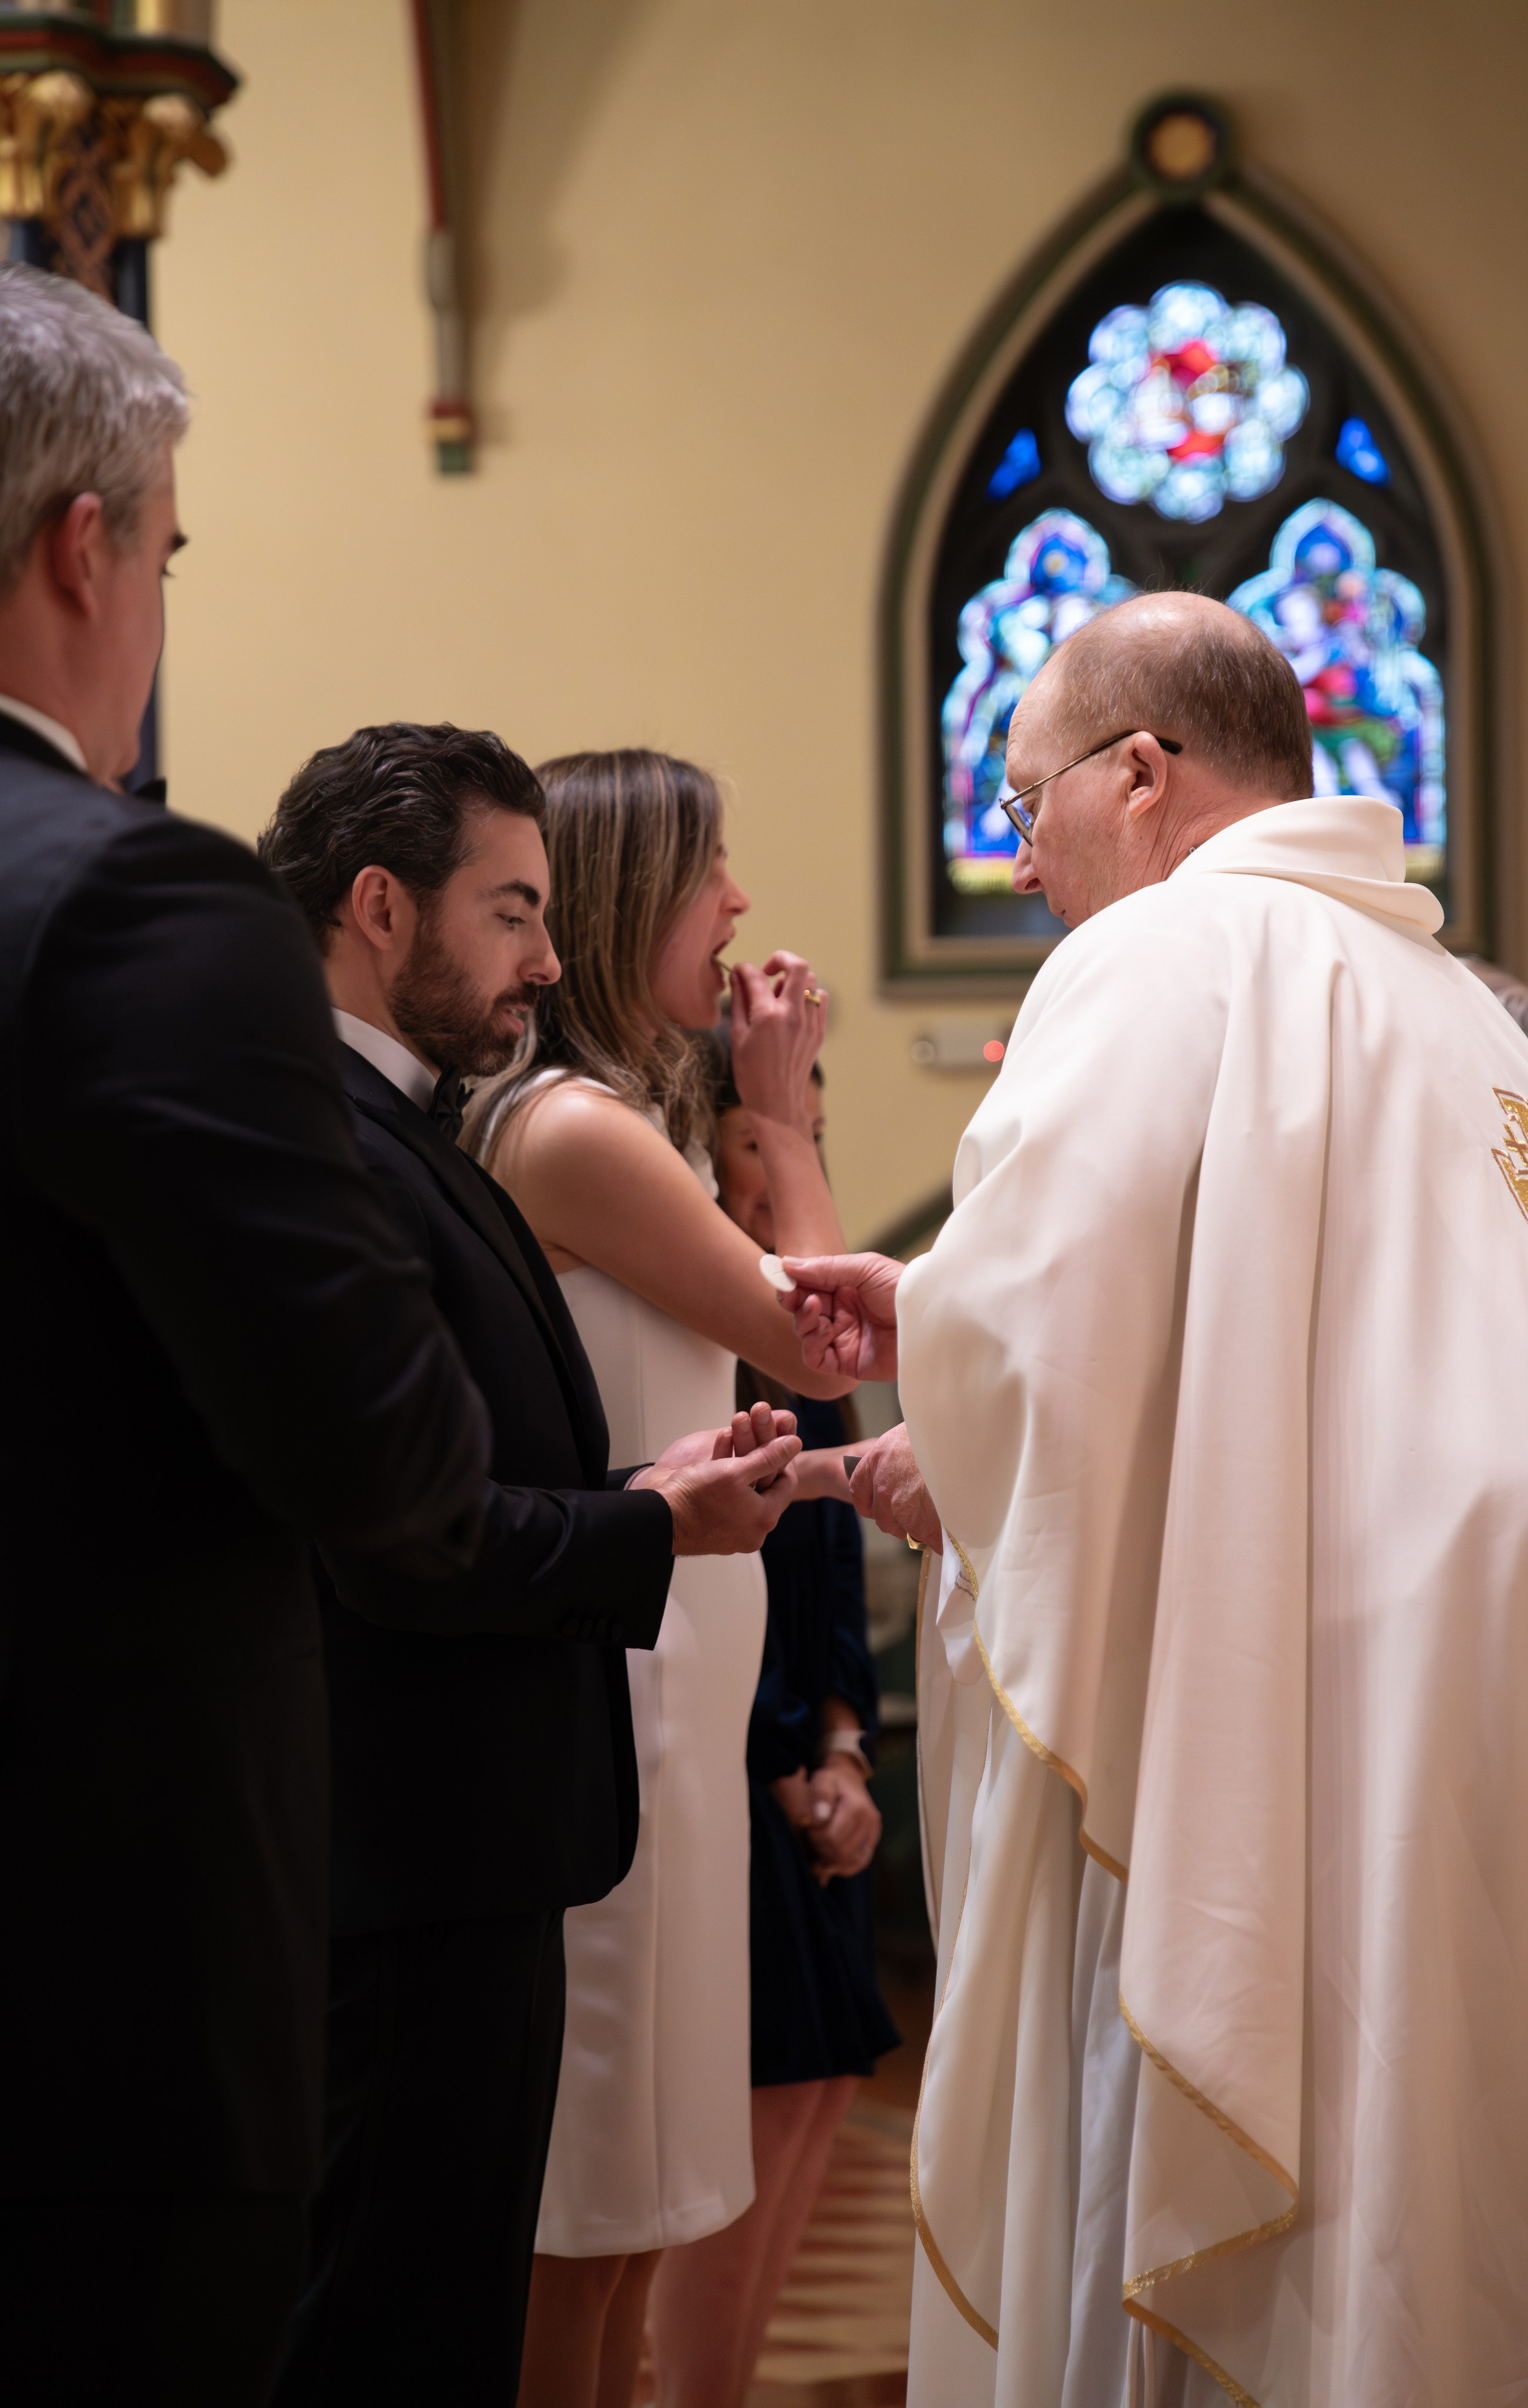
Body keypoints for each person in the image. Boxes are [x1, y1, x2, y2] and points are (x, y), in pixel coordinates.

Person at [781, 593, 1528, 2404]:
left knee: (1249, 2165)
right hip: (1516, 1659)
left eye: (1023, 804)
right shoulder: (1451, 1003)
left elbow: (1053, 1330)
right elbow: (1288, 1317)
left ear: (1142, 774)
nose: (1021, 859)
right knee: (1455, 2164)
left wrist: (955, 1396)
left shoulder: (1170, 946)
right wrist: (958, 1324)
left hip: (1298, 1681)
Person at [0, 267, 494, 2407]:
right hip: (86, 1969)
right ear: (86, 545)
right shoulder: (127, 898)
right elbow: (387, 1452)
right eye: (168, 555)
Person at [258, 725, 801, 2408]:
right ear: (375, 908)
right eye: (508, 911)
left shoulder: (415, 1121)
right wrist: (652, 1522)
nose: (546, 958)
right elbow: (405, 1532)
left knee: (495, 2263)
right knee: (422, 2304)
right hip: (433, 1817)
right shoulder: (344, 1137)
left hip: (518, 1793)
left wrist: (650, 1482)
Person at [462, 747, 854, 2408]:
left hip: (683, 1671)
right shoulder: (575, 1128)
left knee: (651, 2193)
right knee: (598, 2187)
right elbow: (823, 1334)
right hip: (621, 1690)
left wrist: (763, 1132)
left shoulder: (639, 1129)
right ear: (635, 902)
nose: (743, 904)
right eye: (715, 871)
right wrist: (780, 1109)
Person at [642, 1037, 899, 2407]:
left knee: (816, 2091)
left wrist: (846, 1748)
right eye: (762, 1131)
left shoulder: (802, 1297)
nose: (782, 1148)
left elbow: (834, 1560)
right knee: (755, 2100)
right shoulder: (692, 1295)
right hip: (739, 1759)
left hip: (810, 1755)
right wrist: (786, 1763)